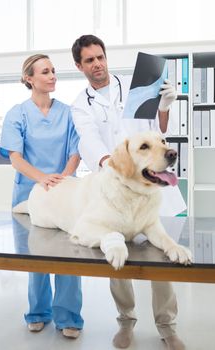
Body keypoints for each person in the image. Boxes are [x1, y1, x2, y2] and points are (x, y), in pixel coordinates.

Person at [71, 35, 186, 350]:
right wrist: (113, 164)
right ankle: (126, 321)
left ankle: (167, 326)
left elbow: (158, 130)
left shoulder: (135, 88)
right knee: (116, 255)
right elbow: (89, 139)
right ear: (79, 66)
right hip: (117, 186)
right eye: (90, 60)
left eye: (100, 57)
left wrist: (163, 106)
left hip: (151, 184)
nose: (98, 64)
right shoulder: (81, 105)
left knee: (164, 257)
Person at [0, 54, 83, 339]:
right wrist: (43, 179)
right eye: (45, 72)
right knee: (37, 256)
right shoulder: (17, 113)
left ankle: (69, 316)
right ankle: (38, 312)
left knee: (70, 255)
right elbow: (15, 158)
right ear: (29, 79)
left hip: (64, 192)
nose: (52, 76)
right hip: (30, 193)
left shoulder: (68, 112)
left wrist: (63, 178)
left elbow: (76, 151)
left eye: (54, 71)